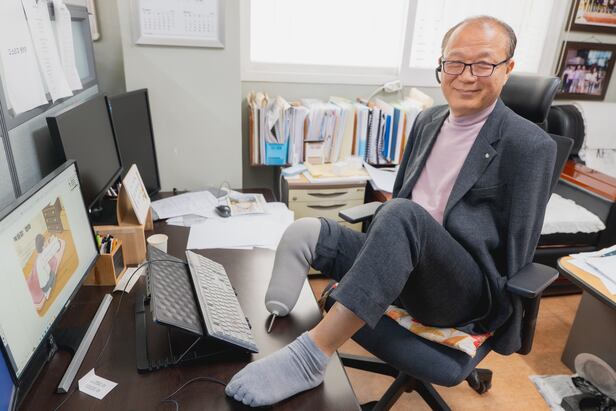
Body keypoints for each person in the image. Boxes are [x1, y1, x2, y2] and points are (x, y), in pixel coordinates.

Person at [225, 15, 556, 407]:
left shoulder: (530, 146)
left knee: (399, 214)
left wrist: (501, 325)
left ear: (507, 68)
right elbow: (404, 195)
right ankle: (269, 329)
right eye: (455, 62)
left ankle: (310, 355)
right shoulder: (428, 119)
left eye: (483, 64)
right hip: (407, 263)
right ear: (441, 65)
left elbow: (520, 247)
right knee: (309, 230)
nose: (466, 76)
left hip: (461, 290)